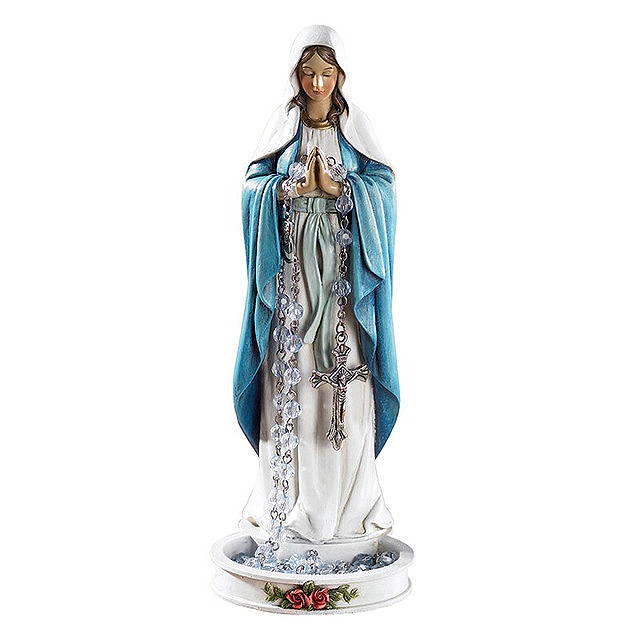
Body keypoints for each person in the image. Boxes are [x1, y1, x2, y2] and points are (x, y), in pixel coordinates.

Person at [233, 25, 400, 544]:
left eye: (327, 73)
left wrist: (340, 188)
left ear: (341, 76)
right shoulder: (283, 129)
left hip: (343, 282)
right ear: (296, 76)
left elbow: (385, 190)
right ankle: (286, 504)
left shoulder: (355, 130)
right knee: (295, 382)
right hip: (294, 285)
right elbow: (252, 189)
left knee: (346, 383)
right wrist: (287, 190)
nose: (318, 83)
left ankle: (348, 510)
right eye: (308, 73)